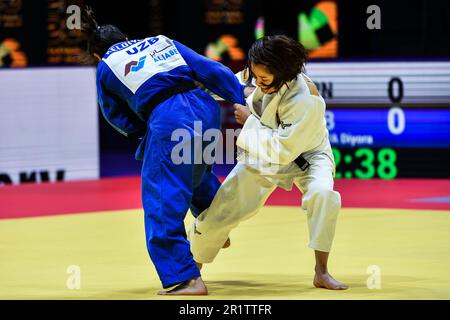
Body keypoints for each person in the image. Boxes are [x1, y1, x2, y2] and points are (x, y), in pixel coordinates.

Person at [81, 8, 245, 295]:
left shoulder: (106, 65)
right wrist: (244, 102)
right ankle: (216, 228)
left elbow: (114, 115)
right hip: (205, 110)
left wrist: (144, 134)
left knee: (162, 194)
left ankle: (185, 279)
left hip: (168, 117)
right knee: (196, 172)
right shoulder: (161, 40)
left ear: (96, 53)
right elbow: (211, 70)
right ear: (126, 38)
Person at [188, 35, 348, 290]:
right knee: (222, 209)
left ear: (284, 73)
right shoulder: (257, 70)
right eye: (256, 77)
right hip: (263, 153)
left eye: (265, 80)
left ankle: (321, 271)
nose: (258, 83)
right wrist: (192, 88)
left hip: (308, 155)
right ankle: (190, 274)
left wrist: (250, 120)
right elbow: (229, 83)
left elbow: (282, 151)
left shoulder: (306, 100)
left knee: (323, 195)